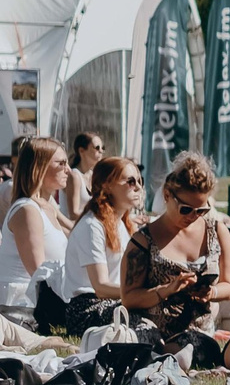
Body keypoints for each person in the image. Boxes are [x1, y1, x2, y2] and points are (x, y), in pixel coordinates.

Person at [117, 154, 230, 349]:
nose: (193, 216)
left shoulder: (216, 230)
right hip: (151, 332)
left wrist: (210, 292)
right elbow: (129, 299)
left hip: (198, 333)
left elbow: (228, 284)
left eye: (201, 210)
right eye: (186, 209)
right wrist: (167, 289)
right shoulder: (143, 241)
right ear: (167, 195)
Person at [41, 154, 140, 334]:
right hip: (86, 310)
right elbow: (101, 286)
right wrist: (142, 295)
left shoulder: (121, 223)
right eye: (130, 181)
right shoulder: (92, 226)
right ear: (107, 185)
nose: (138, 187)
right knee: (144, 317)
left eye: (139, 181)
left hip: (116, 301)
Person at [1, 136, 70, 323]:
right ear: (39, 167)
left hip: (39, 303)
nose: (68, 170)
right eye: (61, 163)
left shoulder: (47, 207)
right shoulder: (26, 210)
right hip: (20, 308)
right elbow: (39, 273)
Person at [63, 131, 105, 222]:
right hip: (71, 231)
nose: (101, 151)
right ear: (81, 151)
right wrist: (102, 216)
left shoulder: (94, 175)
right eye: (97, 148)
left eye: (103, 148)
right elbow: (73, 214)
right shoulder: (74, 176)